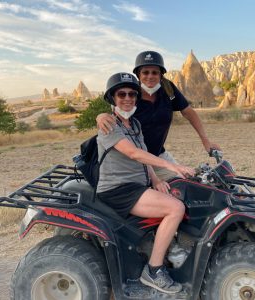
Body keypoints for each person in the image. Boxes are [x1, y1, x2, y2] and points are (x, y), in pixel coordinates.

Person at [96, 72, 195, 294]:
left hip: (137, 184)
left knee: (179, 194)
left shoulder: (134, 124)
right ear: (113, 98)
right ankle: (154, 270)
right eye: (121, 94)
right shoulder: (109, 125)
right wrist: (172, 167)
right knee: (175, 208)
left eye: (132, 94)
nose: (128, 98)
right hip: (119, 189)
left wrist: (157, 178)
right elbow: (133, 153)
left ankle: (172, 249)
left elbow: (143, 154)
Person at [96, 50, 221, 181]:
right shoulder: (131, 95)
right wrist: (100, 116)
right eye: (145, 72)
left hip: (158, 154)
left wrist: (206, 140)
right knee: (174, 185)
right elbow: (113, 115)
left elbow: (189, 112)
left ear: (161, 75)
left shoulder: (168, 90)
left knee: (186, 181)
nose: (150, 76)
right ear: (138, 74)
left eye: (155, 72)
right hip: (135, 159)